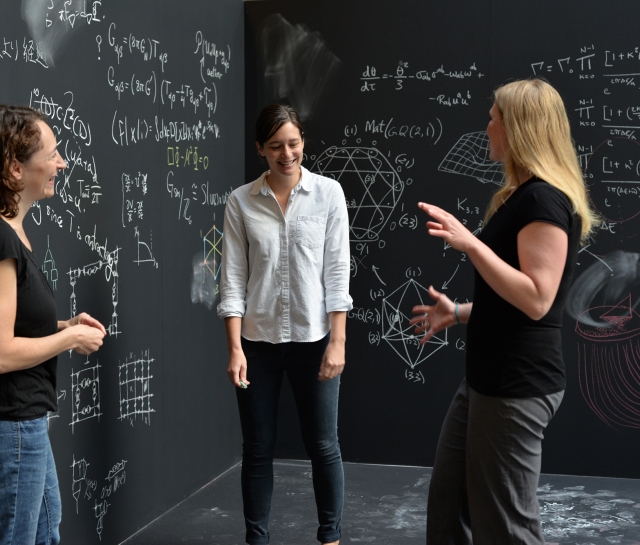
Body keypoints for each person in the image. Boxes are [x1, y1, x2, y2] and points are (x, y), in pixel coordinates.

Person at [410, 79, 598, 544]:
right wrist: (457, 312)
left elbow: (537, 299)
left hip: (515, 388)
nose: (487, 125)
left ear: (517, 128)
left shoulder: (543, 201)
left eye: (494, 116)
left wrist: (470, 243)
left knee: (505, 528)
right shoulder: (523, 195)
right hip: (486, 380)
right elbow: (511, 300)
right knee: (449, 505)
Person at [217, 104, 352, 545]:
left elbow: (337, 273)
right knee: (257, 451)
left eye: (293, 143)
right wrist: (235, 349)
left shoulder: (329, 194)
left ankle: (330, 537)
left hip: (315, 339)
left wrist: (338, 342)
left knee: (324, 446)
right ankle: (257, 539)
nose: (287, 153)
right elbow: (233, 279)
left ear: (303, 143)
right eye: (275, 146)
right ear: (260, 149)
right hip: (258, 343)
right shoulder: (239, 201)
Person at [0, 105, 107, 545]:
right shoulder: (3, 240)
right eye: (54, 153)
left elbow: (16, 324)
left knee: (46, 533)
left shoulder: (15, 232)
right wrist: (70, 337)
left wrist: (63, 324)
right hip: (15, 424)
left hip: (28, 422)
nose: (62, 163)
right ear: (13, 167)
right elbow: (2, 352)